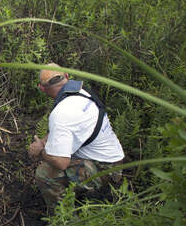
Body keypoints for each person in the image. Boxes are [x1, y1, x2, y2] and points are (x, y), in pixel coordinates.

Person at [28, 63, 124, 211]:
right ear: (66, 76)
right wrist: (43, 142)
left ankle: (61, 221)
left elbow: (62, 163)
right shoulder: (82, 92)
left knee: (45, 173)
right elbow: (68, 127)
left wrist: (40, 151)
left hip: (105, 170)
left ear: (42, 88)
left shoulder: (61, 113)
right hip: (116, 160)